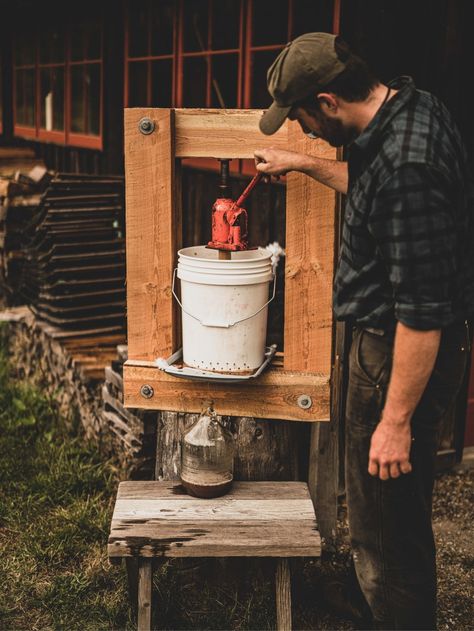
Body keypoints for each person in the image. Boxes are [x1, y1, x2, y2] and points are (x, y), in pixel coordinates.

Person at [254, 32, 474, 630]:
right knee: (382, 504)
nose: (301, 130)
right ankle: (371, 592)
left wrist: (395, 422)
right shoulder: (407, 108)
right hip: (389, 341)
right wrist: (301, 163)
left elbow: (422, 315)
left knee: (390, 507)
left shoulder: (408, 166)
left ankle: (397, 612)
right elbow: (372, 190)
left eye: (300, 119)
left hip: (400, 347)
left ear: (327, 101)